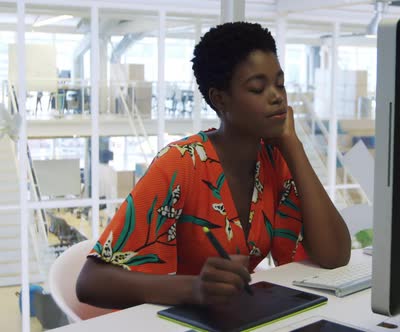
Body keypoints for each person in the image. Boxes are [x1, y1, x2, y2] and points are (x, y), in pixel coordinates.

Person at [76, 21, 351, 310]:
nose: (277, 96)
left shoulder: (274, 158)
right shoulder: (181, 164)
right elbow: (89, 282)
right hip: (179, 318)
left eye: (280, 84)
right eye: (258, 88)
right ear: (219, 99)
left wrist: (293, 147)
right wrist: (193, 287)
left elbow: (334, 255)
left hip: (239, 315)